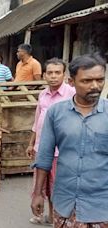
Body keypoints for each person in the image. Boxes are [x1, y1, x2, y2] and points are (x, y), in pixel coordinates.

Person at [31, 53, 108, 227]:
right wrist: (38, 193)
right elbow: (44, 156)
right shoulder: (56, 113)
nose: (95, 86)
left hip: (101, 206)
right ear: (71, 82)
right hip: (65, 203)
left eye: (100, 80)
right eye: (86, 81)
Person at [27, 58, 76, 226]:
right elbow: (37, 121)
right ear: (44, 75)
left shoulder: (71, 93)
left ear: (64, 75)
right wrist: (31, 143)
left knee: (57, 187)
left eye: (57, 73)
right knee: (42, 185)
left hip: (61, 151)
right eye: (50, 73)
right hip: (42, 148)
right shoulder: (43, 94)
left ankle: (57, 217)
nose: (53, 76)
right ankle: (45, 214)